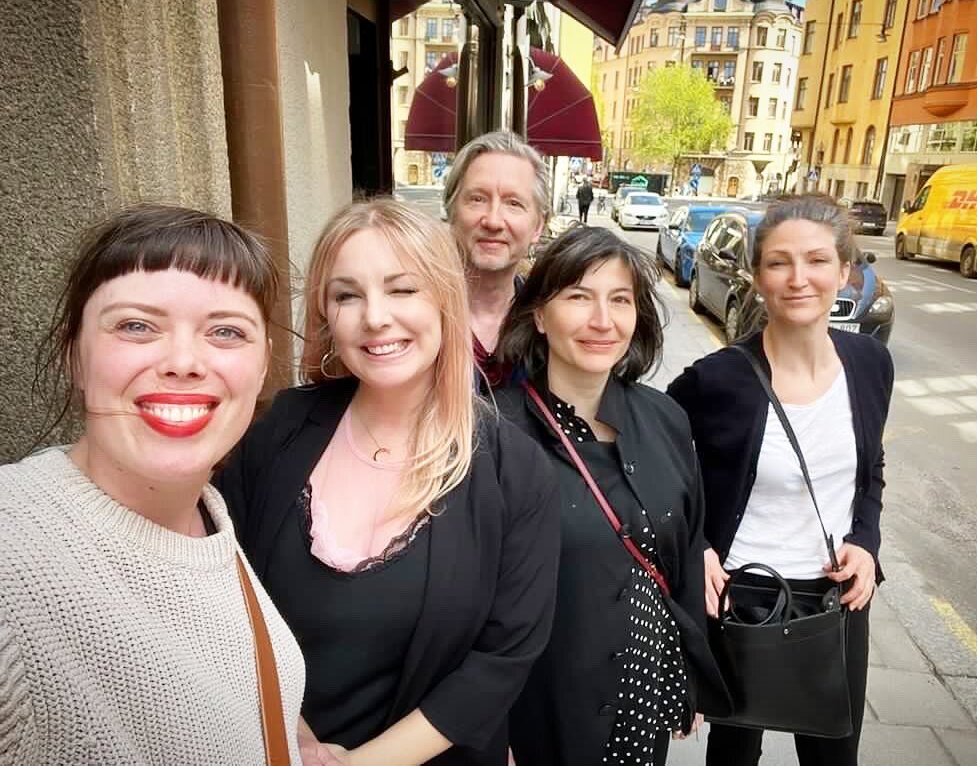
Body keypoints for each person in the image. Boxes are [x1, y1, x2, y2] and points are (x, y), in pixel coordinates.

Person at [214, 198, 561, 765]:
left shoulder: (515, 472)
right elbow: (227, 595)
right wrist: (294, 736)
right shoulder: (281, 430)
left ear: (447, 302)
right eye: (347, 294)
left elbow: (503, 657)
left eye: (402, 289)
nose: (375, 316)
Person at [0, 205, 308, 764]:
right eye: (137, 325)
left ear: (263, 366)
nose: (184, 361)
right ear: (75, 352)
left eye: (226, 331)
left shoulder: (209, 518)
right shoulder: (13, 554)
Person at [666, 195, 894, 766]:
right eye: (779, 263)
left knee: (835, 755)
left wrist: (866, 542)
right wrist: (697, 547)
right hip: (746, 600)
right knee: (735, 752)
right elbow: (656, 468)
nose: (799, 279)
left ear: (844, 271)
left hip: (838, 599)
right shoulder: (716, 380)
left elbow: (871, 472)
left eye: (817, 261)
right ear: (756, 274)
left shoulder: (870, 364)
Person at [495, 227, 730, 766]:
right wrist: (486, 728)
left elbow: (687, 547)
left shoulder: (665, 419)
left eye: (619, 300)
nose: (603, 321)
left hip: (641, 697)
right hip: (542, 710)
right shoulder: (496, 435)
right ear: (538, 314)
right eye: (579, 296)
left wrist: (688, 668)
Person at [442, 130, 551, 387]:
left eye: (513, 203)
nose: (492, 221)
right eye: (477, 199)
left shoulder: (552, 327)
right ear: (452, 212)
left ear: (538, 226)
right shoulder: (416, 316)